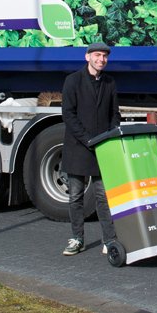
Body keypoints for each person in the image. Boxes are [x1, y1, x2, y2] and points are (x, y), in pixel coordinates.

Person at [61, 41, 120, 256]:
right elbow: (68, 115)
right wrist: (88, 140)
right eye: (97, 55)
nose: (101, 59)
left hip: (102, 148)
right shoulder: (73, 81)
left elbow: (115, 113)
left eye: (104, 56)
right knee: (75, 196)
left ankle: (110, 239)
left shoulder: (110, 83)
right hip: (78, 148)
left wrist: (111, 135)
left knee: (104, 197)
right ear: (87, 57)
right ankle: (77, 239)